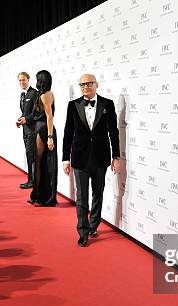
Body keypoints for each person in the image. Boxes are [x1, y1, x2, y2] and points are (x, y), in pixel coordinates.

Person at [62, 73, 120, 247]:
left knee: (98, 193)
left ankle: (94, 225)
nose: (85, 87)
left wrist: (115, 156)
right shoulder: (73, 105)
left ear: (97, 85)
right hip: (79, 158)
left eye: (88, 84)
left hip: (101, 157)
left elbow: (114, 132)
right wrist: (66, 159)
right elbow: (67, 133)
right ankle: (83, 230)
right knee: (81, 196)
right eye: (82, 85)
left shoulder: (107, 104)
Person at [21, 70, 57, 207]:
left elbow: (49, 116)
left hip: (43, 129)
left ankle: (40, 196)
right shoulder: (44, 94)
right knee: (42, 164)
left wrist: (49, 136)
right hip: (40, 128)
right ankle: (40, 195)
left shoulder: (45, 96)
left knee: (40, 164)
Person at [15, 72, 38, 189]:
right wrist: (20, 120)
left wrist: (26, 119)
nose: (21, 82)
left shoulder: (34, 93)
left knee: (31, 156)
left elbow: (37, 113)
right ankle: (31, 180)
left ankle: (32, 181)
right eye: (19, 80)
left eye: (23, 80)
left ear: (28, 79)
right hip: (25, 130)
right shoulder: (22, 95)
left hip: (33, 131)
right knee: (29, 156)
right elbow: (25, 113)